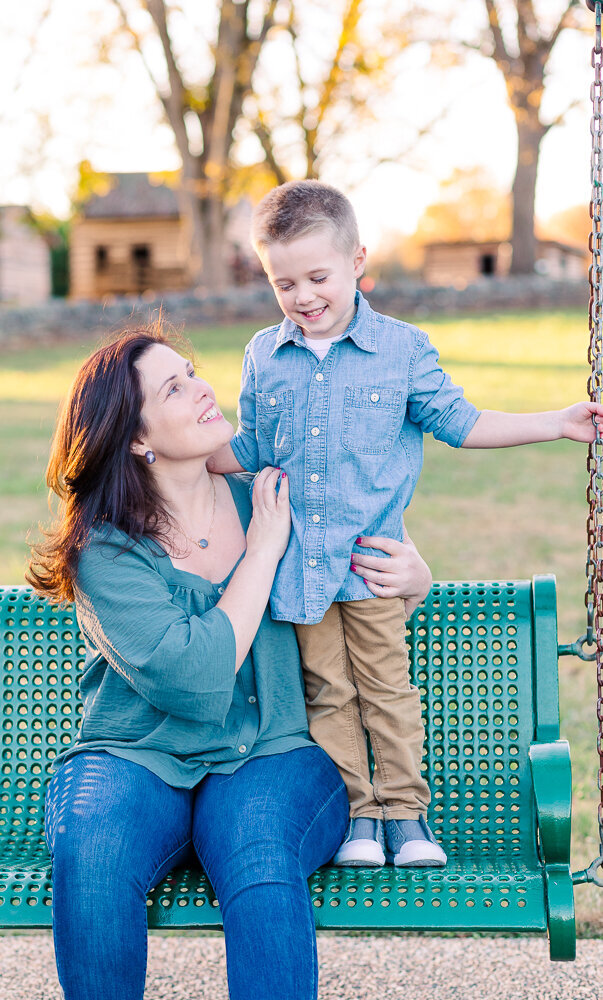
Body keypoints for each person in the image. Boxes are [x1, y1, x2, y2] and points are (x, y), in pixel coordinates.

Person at [26, 326, 433, 1000]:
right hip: (135, 754)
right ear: (135, 438)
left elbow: (356, 610)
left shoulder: (274, 495)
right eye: (173, 388)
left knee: (259, 853)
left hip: (271, 751)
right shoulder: (105, 548)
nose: (203, 389)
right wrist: (263, 554)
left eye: (191, 371)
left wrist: (412, 577)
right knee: (90, 855)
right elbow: (193, 679)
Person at [207, 178, 603, 870]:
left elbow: (463, 422)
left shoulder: (401, 350)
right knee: (327, 693)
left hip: (372, 565)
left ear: (358, 259)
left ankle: (405, 814)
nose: (302, 297)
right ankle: (358, 815)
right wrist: (168, 451)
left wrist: (555, 423)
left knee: (385, 691)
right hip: (299, 571)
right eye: (283, 283)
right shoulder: (263, 357)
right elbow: (249, 449)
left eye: (317, 277)